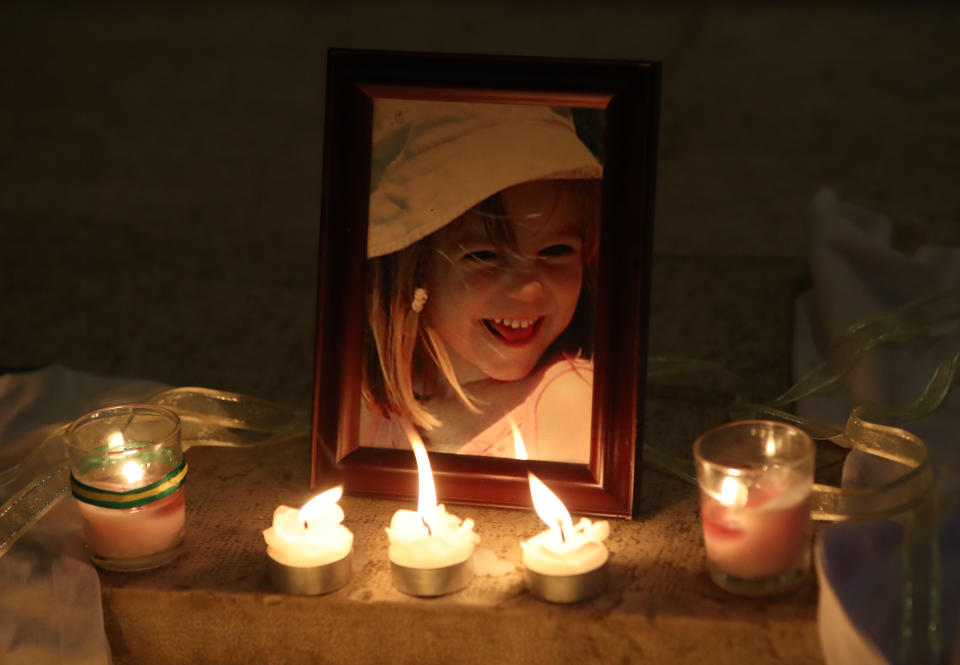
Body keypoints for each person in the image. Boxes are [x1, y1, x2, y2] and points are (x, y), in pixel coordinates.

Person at [360, 98, 602, 463]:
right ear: (414, 271)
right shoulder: (369, 403)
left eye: (555, 250)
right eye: (483, 255)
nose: (530, 289)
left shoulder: (568, 404)